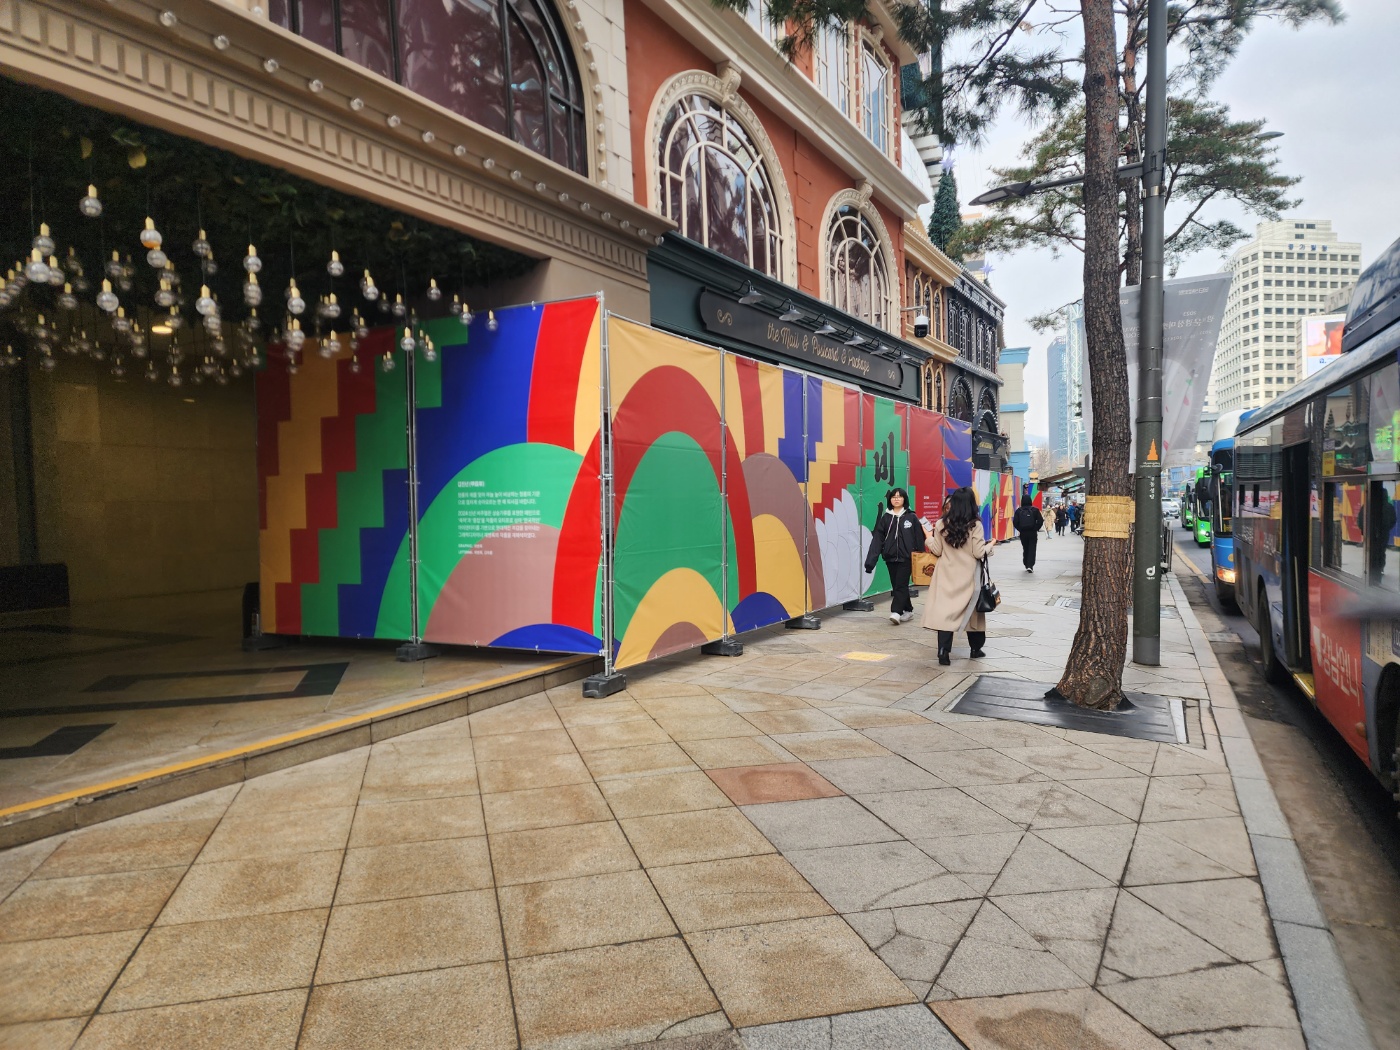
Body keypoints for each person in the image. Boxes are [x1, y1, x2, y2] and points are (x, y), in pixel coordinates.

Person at [922, 486, 996, 665]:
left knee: (945, 613)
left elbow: (937, 550)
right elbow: (978, 552)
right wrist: (991, 545)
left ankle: (943, 651)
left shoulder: (941, 524)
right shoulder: (975, 525)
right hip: (969, 575)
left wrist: (928, 538)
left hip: (946, 574)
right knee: (973, 612)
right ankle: (976, 649)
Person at [864, 487, 929, 625]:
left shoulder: (911, 517)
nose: (896, 499)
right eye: (894, 497)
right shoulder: (886, 518)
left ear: (904, 499)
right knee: (898, 585)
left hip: (907, 558)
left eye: (899, 496)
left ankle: (896, 612)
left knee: (900, 584)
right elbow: (877, 540)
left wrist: (921, 557)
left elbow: (919, 537)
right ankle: (908, 610)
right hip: (890, 557)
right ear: (890, 500)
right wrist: (870, 563)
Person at [1012, 494, 1044, 573]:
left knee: (1025, 548)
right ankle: (1030, 565)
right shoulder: (1035, 510)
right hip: (1032, 532)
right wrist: (1036, 528)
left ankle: (1026, 563)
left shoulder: (1018, 511)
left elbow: (1015, 522)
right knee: (1032, 548)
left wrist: (1020, 529)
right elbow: (1040, 520)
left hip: (1023, 533)